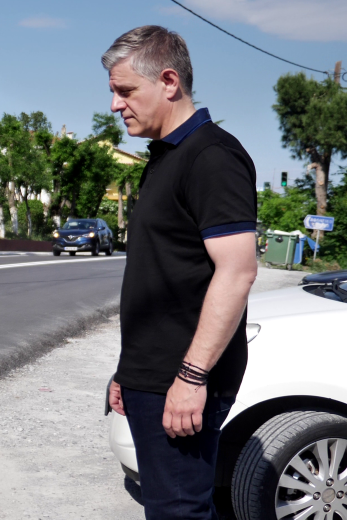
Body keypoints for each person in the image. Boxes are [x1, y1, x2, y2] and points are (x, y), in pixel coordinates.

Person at [102, 26, 258, 520]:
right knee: (172, 506)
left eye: (125, 90)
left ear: (168, 81)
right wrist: (128, 372)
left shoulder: (212, 157)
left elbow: (237, 272)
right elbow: (162, 279)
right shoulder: (167, 156)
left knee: (178, 511)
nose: (114, 104)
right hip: (155, 372)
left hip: (184, 376)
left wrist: (192, 377)